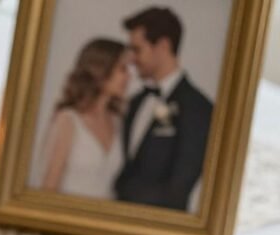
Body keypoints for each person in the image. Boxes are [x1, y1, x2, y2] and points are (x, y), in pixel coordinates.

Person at [114, 7, 213, 211]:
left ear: (163, 46)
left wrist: (123, 195)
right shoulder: (135, 102)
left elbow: (179, 188)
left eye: (137, 49)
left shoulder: (198, 108)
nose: (131, 58)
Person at [35, 38, 129, 199]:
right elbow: (49, 187)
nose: (128, 76)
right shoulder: (68, 120)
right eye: (123, 69)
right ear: (102, 70)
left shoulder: (118, 121)